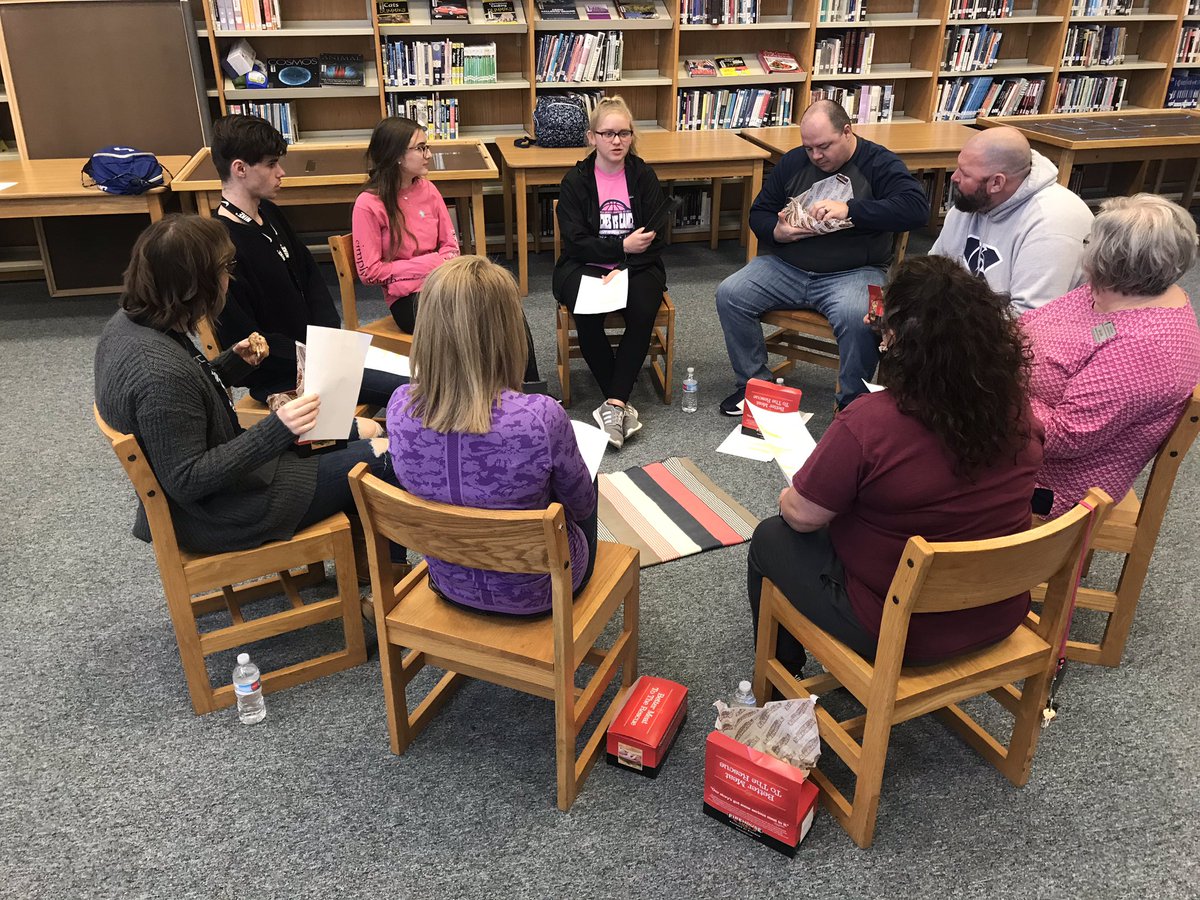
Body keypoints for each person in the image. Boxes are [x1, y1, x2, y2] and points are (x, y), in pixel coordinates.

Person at [747, 255, 1044, 673]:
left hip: (900, 627)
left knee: (771, 536)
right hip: (998, 611)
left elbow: (801, 517)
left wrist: (789, 495)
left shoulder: (872, 421)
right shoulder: (1018, 412)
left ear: (895, 338)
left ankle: (782, 677)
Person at [94, 214, 400, 557]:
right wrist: (279, 428)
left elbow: (185, 406)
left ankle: (366, 567)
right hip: (227, 512)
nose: (230, 278)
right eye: (225, 269)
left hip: (238, 483)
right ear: (195, 285)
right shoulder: (159, 375)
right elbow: (188, 479)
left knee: (369, 430)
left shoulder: (130, 325)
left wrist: (230, 365)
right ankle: (386, 585)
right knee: (391, 456)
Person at [387, 256, 597, 616]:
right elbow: (580, 508)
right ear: (509, 330)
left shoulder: (398, 407)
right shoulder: (541, 416)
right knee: (589, 484)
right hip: (540, 594)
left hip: (447, 581)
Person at [715, 99, 928, 414]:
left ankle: (852, 406)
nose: (816, 156)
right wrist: (776, 231)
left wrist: (852, 210)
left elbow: (916, 209)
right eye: (809, 148)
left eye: (824, 147)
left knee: (862, 318)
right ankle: (755, 387)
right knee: (730, 294)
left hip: (856, 271)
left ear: (846, 131)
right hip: (787, 267)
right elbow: (758, 213)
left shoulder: (878, 162)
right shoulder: (794, 162)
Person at [210, 114, 406, 408]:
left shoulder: (271, 214)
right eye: (271, 164)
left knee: (419, 374)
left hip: (320, 355)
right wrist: (308, 353)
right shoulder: (220, 244)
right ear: (240, 169)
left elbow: (311, 277)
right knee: (410, 389)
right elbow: (243, 339)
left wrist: (327, 338)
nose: (281, 172)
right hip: (282, 373)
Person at [1024, 193, 1200, 519]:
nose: (1085, 248)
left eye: (1091, 242)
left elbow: (1062, 438)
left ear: (1111, 260)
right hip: (1015, 438)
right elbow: (1027, 326)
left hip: (1051, 487)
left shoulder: (1144, 348)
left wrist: (993, 388)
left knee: (916, 473)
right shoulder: (1112, 289)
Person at [353, 115, 543, 388]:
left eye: (426, 146)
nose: (428, 154)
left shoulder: (428, 189)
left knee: (505, 305)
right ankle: (478, 395)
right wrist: (431, 263)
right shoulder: (368, 204)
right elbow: (370, 272)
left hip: (446, 283)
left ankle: (528, 392)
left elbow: (451, 249)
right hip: (410, 301)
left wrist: (423, 266)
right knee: (472, 319)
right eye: (420, 148)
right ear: (396, 155)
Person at [552, 95, 666, 448]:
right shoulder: (576, 181)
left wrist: (626, 265)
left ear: (632, 136)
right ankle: (618, 399)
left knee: (643, 309)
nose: (617, 141)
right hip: (584, 265)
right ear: (592, 137)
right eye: (607, 134)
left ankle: (614, 403)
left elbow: (657, 233)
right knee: (587, 313)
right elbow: (575, 242)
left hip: (637, 265)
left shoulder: (643, 176)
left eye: (624, 133)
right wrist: (619, 249)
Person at [931, 126, 1094, 313]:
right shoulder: (971, 202)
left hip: (1030, 335)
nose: (954, 177)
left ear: (997, 183)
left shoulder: (1052, 224)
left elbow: (1029, 320)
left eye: (966, 174)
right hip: (968, 323)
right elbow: (933, 274)